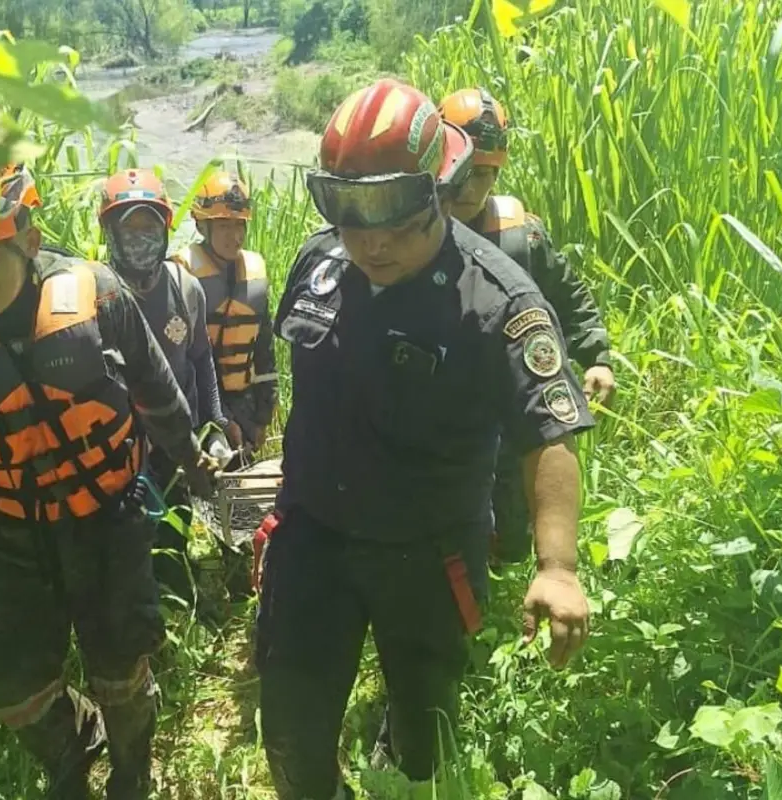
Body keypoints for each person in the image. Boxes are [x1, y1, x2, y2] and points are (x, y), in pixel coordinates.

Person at [256, 79, 594, 799]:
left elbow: (549, 435)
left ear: (439, 190)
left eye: (393, 214)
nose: (370, 239)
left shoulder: (497, 300)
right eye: (349, 210)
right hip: (313, 536)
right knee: (290, 729)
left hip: (428, 556)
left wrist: (557, 565)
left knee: (422, 741)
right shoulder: (316, 263)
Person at [0, 163, 215, 799]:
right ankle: (77, 741)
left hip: (109, 518)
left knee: (123, 667)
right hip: (14, 535)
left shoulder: (98, 294)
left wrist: (192, 461)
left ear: (27, 240)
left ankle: (132, 771)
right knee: (10, 688)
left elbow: (156, 386)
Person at [439, 86, 615, 565]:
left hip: (508, 405)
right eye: (467, 173)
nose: (474, 189)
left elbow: (568, 292)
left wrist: (595, 355)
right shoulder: (411, 231)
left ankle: (507, 568)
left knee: (513, 529)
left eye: (488, 175)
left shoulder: (522, 234)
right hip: (440, 410)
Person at [97, 168, 228, 606]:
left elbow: (200, 360)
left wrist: (216, 424)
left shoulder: (185, 289)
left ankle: (180, 613)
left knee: (174, 535)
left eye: (149, 227)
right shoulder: (93, 298)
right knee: (126, 555)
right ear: (109, 232)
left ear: (165, 231)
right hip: (119, 453)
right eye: (128, 227)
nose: (140, 238)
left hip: (177, 446)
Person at [173, 171, 278, 464]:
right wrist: (220, 417)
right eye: (223, 226)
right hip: (200, 399)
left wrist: (264, 412)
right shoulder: (183, 276)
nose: (235, 236)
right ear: (202, 226)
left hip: (243, 398)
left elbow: (264, 349)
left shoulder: (254, 271)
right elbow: (185, 360)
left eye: (239, 225)